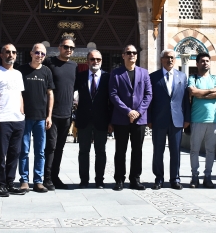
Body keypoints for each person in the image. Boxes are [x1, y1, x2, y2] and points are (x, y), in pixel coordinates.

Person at [109, 44, 152, 191]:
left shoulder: (144, 73)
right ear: (123, 55)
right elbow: (113, 95)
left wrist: (138, 112)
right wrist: (128, 111)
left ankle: (135, 179)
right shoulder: (116, 73)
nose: (131, 55)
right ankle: (119, 179)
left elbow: (148, 94)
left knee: (137, 150)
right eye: (128, 52)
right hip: (121, 118)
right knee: (120, 150)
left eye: (134, 52)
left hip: (139, 119)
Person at [0, 44, 26, 197]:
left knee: (14, 153)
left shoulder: (18, 74)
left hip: (18, 119)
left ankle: (10, 183)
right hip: (2, 119)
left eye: (14, 52)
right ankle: (1, 185)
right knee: (1, 154)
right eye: (8, 52)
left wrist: (22, 112)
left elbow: (20, 94)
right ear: (1, 55)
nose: (11, 55)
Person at [148, 49, 190, 190]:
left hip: (177, 120)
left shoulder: (182, 76)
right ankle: (159, 178)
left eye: (172, 57)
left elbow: (186, 100)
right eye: (167, 57)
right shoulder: (153, 77)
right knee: (158, 151)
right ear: (162, 60)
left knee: (176, 151)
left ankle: (175, 179)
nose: (170, 60)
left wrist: (187, 118)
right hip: (159, 119)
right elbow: (149, 99)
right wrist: (149, 119)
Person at [42, 36, 78, 190]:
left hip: (66, 114)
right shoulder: (49, 63)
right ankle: (46, 178)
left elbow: (74, 87)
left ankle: (55, 177)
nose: (68, 50)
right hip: (52, 114)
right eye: (66, 47)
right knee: (50, 146)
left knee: (60, 147)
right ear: (59, 47)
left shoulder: (74, 66)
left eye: (71, 48)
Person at [18, 43, 55, 192]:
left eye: (43, 54)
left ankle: (38, 181)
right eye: (37, 52)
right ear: (31, 53)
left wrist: (49, 116)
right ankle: (24, 180)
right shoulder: (21, 70)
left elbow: (50, 94)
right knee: (24, 150)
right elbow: (18, 93)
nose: (40, 56)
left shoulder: (47, 71)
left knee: (40, 151)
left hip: (41, 118)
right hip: (25, 117)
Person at [75, 50, 112, 189]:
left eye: (98, 59)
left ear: (101, 61)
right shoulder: (80, 76)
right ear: (87, 61)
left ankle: (99, 180)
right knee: (83, 151)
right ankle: (84, 180)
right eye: (92, 59)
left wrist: (111, 121)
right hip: (84, 120)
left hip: (102, 120)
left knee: (100, 152)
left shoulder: (108, 77)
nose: (95, 62)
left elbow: (111, 101)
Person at [187, 52, 216, 188]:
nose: (205, 63)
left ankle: (208, 177)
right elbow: (193, 92)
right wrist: (211, 91)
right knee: (194, 150)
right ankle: (194, 177)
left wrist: (201, 93)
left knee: (210, 150)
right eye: (202, 61)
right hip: (197, 119)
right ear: (197, 63)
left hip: (213, 120)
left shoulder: (215, 78)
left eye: (207, 61)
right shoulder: (193, 78)